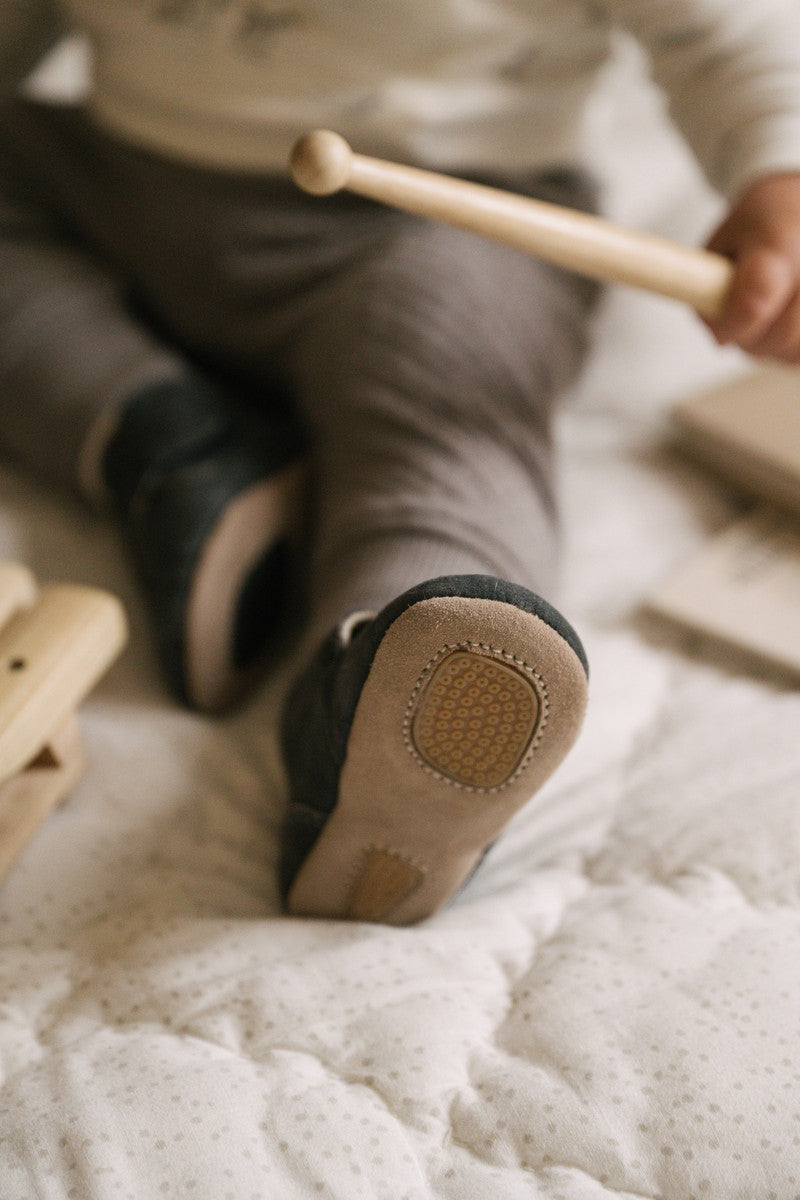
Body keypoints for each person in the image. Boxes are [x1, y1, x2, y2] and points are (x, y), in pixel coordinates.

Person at [1, 1, 799, 923]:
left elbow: (731, 32)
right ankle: (174, 448)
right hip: (110, 183)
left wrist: (778, 173)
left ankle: (391, 704)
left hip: (447, 227)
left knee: (448, 428)